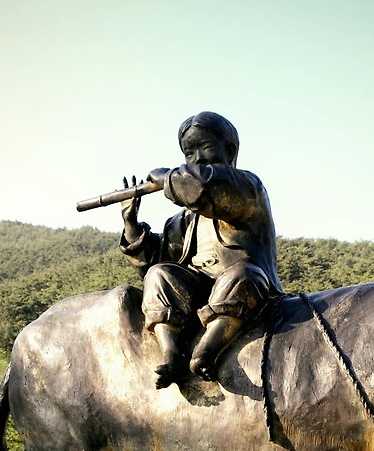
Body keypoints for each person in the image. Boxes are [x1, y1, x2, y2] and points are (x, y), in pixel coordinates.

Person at [120, 112, 283, 388]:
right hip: (198, 290)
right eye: (189, 152)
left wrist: (166, 177)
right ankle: (171, 351)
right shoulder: (183, 220)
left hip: (240, 283)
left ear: (229, 151)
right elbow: (153, 263)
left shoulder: (246, 187)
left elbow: (203, 185)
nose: (196, 158)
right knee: (159, 275)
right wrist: (131, 224)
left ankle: (206, 350)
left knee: (243, 275)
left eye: (205, 147)